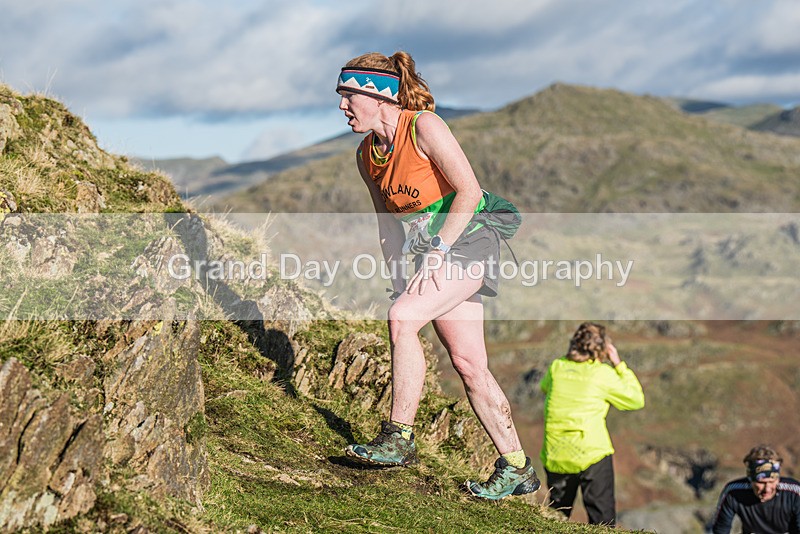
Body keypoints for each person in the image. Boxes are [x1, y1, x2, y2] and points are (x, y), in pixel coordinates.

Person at [335, 51, 539, 500]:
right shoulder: (366, 155)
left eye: (349, 96)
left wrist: (438, 250)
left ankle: (398, 438)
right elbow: (387, 224)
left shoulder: (424, 126)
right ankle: (517, 466)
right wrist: (398, 277)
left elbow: (468, 191)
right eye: (340, 97)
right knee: (469, 364)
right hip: (433, 253)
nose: (342, 106)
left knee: (402, 319)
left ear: (378, 96)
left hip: (470, 239)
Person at [539, 322, 644, 525]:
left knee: (555, 516)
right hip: (591, 453)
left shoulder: (557, 367)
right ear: (603, 348)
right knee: (602, 521)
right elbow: (636, 400)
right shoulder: (602, 374)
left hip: (556, 453)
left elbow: (545, 388)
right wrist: (618, 364)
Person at [711, 445, 800, 534]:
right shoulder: (733, 492)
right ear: (750, 479)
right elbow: (720, 530)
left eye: (772, 481)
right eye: (761, 483)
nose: (767, 489)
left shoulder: (795, 492)